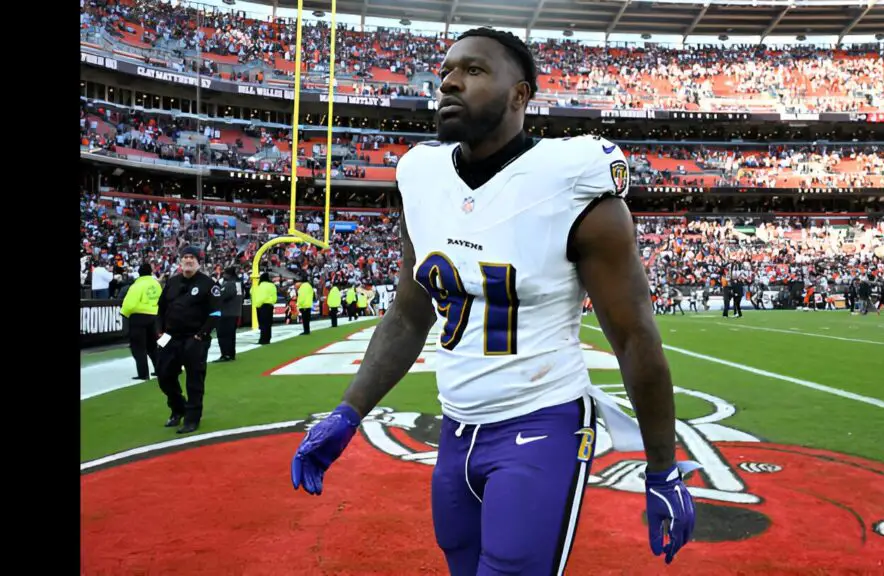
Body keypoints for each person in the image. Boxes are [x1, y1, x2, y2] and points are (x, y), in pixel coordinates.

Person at [290, 28, 697, 575]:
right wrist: (349, 410)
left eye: (474, 70)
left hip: (543, 422)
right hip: (455, 428)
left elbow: (633, 336)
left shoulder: (570, 180)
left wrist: (662, 467)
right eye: (447, 72)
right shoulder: (420, 174)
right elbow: (411, 311)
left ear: (520, 95)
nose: (450, 82)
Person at [155, 246, 222, 434]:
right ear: (180, 261)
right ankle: (178, 408)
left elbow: (215, 313)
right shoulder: (172, 283)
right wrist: (159, 331)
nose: (188, 260)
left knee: (194, 379)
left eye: (192, 257)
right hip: (169, 336)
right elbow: (160, 309)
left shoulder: (209, 284)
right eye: (185, 257)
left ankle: (192, 419)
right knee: (163, 374)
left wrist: (201, 335)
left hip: (194, 336)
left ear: (199, 261)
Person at [120, 262, 161, 381]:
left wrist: (124, 313)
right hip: (154, 316)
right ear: (150, 272)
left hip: (139, 317)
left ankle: (143, 374)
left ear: (139, 273)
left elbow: (130, 303)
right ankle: (159, 370)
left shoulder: (137, 285)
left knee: (139, 347)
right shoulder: (156, 284)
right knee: (152, 346)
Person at [214, 266, 242, 362]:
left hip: (226, 313)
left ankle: (225, 354)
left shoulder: (229, 284)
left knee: (223, 335)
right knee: (231, 335)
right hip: (235, 312)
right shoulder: (238, 283)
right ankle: (230, 354)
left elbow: (222, 296)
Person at [251, 272, 277, 345]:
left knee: (263, 324)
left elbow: (255, 294)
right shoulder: (272, 285)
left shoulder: (260, 285)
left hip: (262, 306)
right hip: (270, 305)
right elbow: (274, 297)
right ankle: (267, 339)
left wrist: (258, 305)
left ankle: (263, 340)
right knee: (268, 324)